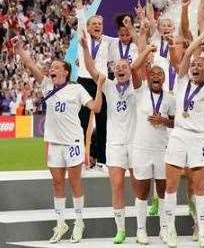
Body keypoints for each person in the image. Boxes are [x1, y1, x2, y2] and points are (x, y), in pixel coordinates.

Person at [13, 36, 104, 243]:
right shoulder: (47, 86)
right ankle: (61, 222)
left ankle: (79, 222)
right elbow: (30, 63)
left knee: (75, 183)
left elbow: (96, 108)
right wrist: (19, 48)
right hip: (53, 143)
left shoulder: (77, 89)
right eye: (51, 66)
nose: (51, 68)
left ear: (65, 71)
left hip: (72, 143)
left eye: (56, 66)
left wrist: (99, 86)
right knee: (56, 183)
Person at [163, 26, 204, 248]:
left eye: (200, 66)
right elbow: (186, 54)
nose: (195, 67)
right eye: (193, 66)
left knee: (199, 187)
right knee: (171, 184)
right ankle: (170, 230)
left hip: (199, 139)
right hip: (178, 135)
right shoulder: (181, 82)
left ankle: (203, 233)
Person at [80, 33, 137, 244]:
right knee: (117, 186)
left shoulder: (137, 86)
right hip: (114, 144)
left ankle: (140, 228)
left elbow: (140, 66)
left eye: (125, 66)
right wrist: (86, 49)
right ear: (113, 70)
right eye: (117, 67)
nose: (120, 69)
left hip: (135, 143)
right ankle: (120, 230)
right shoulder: (109, 86)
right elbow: (92, 69)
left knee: (140, 186)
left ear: (131, 69)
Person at [130, 44, 176, 245]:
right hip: (141, 149)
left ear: (164, 79)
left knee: (163, 192)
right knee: (142, 192)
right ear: (148, 76)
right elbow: (133, 68)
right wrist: (148, 50)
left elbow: (175, 123)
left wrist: (163, 121)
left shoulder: (170, 98)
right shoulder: (139, 91)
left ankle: (164, 230)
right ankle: (141, 231)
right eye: (153, 73)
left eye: (160, 74)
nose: (157, 76)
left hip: (162, 150)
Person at [75, 0, 111, 166]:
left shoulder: (108, 41)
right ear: (88, 28)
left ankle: (101, 159)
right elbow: (81, 18)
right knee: (81, 122)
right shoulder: (83, 38)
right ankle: (81, 158)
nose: (98, 26)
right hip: (83, 82)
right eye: (94, 24)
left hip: (101, 84)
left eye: (100, 24)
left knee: (103, 122)